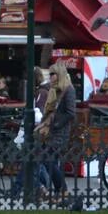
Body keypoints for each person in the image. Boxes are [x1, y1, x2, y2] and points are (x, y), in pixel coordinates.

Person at [35, 63, 77, 202]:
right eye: (50, 74)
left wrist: (57, 124)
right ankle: (57, 191)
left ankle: (62, 190)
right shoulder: (53, 89)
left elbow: (71, 112)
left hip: (60, 131)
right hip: (51, 130)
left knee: (49, 161)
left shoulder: (68, 89)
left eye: (53, 74)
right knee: (46, 160)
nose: (51, 77)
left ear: (59, 74)